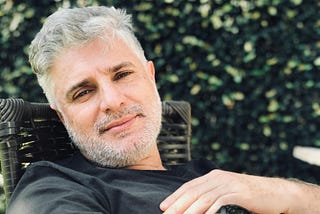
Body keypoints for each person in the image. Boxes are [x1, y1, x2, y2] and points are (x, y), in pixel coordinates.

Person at [6, 6, 320, 214]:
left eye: (123, 74)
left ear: (151, 77)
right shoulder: (52, 189)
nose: (113, 101)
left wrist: (287, 193)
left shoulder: (206, 175)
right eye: (84, 92)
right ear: (61, 115)